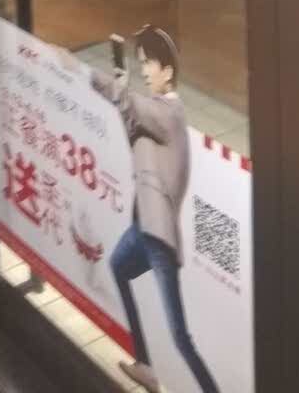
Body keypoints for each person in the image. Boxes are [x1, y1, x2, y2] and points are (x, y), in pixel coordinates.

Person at [91, 26, 220, 393]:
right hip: (143, 228)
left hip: (159, 237)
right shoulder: (155, 115)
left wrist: (88, 75)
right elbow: (131, 121)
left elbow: (133, 106)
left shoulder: (170, 113)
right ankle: (146, 365)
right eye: (142, 63)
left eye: (149, 64)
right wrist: (119, 93)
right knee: (118, 266)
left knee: (179, 336)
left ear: (168, 71)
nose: (144, 71)